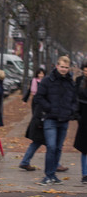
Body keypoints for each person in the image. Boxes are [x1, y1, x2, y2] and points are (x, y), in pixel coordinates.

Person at [33, 55, 77, 185]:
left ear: (69, 68)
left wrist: (71, 111)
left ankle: (53, 174)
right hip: (50, 119)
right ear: (57, 66)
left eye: (66, 67)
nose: (64, 69)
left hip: (64, 119)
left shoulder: (70, 82)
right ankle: (48, 175)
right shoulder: (47, 80)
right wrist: (49, 108)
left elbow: (74, 100)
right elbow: (38, 97)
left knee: (58, 148)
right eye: (62, 67)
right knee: (51, 146)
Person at [73, 62, 87, 184]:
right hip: (83, 119)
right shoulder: (79, 81)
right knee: (84, 148)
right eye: (85, 70)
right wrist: (77, 116)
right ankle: (85, 174)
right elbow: (75, 98)